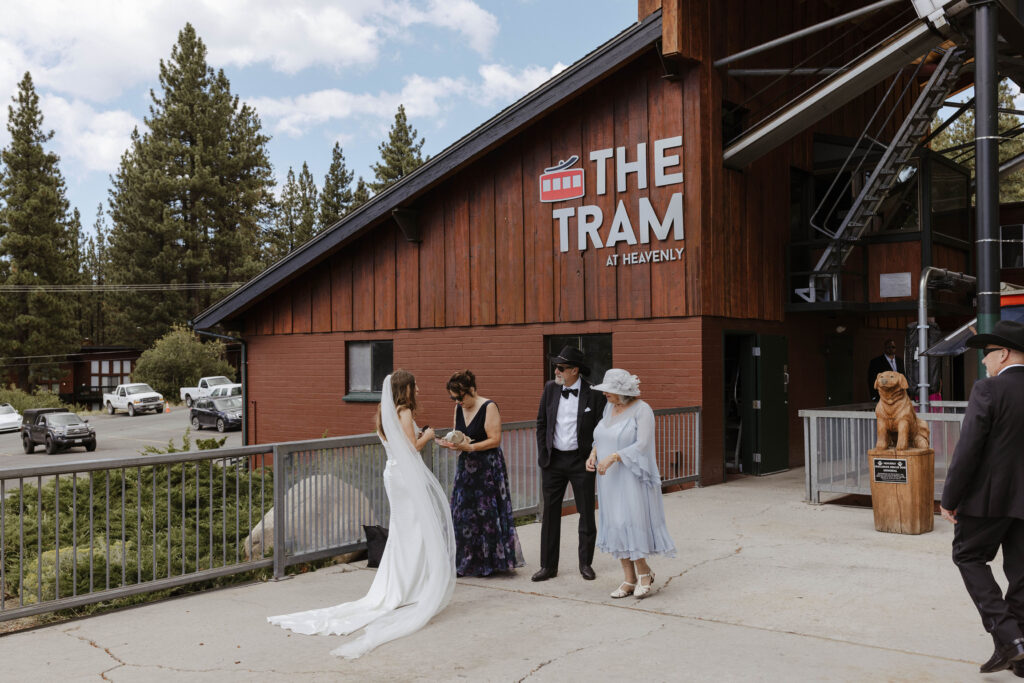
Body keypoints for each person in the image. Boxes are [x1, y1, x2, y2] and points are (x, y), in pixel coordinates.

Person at [268, 370, 456, 658]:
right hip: (406, 477)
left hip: (393, 474)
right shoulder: (403, 412)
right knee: (415, 531)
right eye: (415, 385)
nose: (419, 389)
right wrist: (427, 436)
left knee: (405, 532)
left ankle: (403, 585)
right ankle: (413, 587)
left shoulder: (384, 411)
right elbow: (410, 448)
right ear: (405, 389)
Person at [940, 320, 1024, 675]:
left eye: (987, 355)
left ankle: (1009, 638)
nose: (985, 363)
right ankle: (1019, 657)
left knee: (968, 555)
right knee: (1022, 574)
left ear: (1003, 353)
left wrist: (949, 498)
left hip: (989, 499)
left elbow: (968, 450)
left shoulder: (988, 390)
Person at [586, 369, 676, 598]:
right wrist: (594, 454)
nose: (604, 393)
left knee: (630, 519)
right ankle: (628, 578)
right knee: (615, 521)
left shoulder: (642, 410)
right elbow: (601, 436)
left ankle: (645, 573)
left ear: (622, 392)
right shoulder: (608, 408)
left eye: (609, 390)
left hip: (631, 475)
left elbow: (643, 444)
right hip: (608, 478)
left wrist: (614, 457)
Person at [437, 369, 524, 576]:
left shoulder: (488, 406)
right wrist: (452, 444)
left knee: (487, 513)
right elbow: (459, 436)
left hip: (487, 467)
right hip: (466, 466)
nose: (457, 402)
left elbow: (495, 439)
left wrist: (472, 448)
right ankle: (465, 561)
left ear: (472, 390)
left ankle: (489, 563)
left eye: (460, 397)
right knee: (463, 513)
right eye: (453, 398)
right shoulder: (458, 408)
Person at [532, 345, 606, 582]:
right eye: (556, 366)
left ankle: (585, 563)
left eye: (562, 367)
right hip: (553, 461)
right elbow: (541, 422)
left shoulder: (593, 394)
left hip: (581, 460)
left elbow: (601, 429)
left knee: (586, 513)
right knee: (550, 514)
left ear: (575, 370)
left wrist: (594, 455)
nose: (557, 371)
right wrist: (544, 454)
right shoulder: (550, 389)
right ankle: (548, 566)